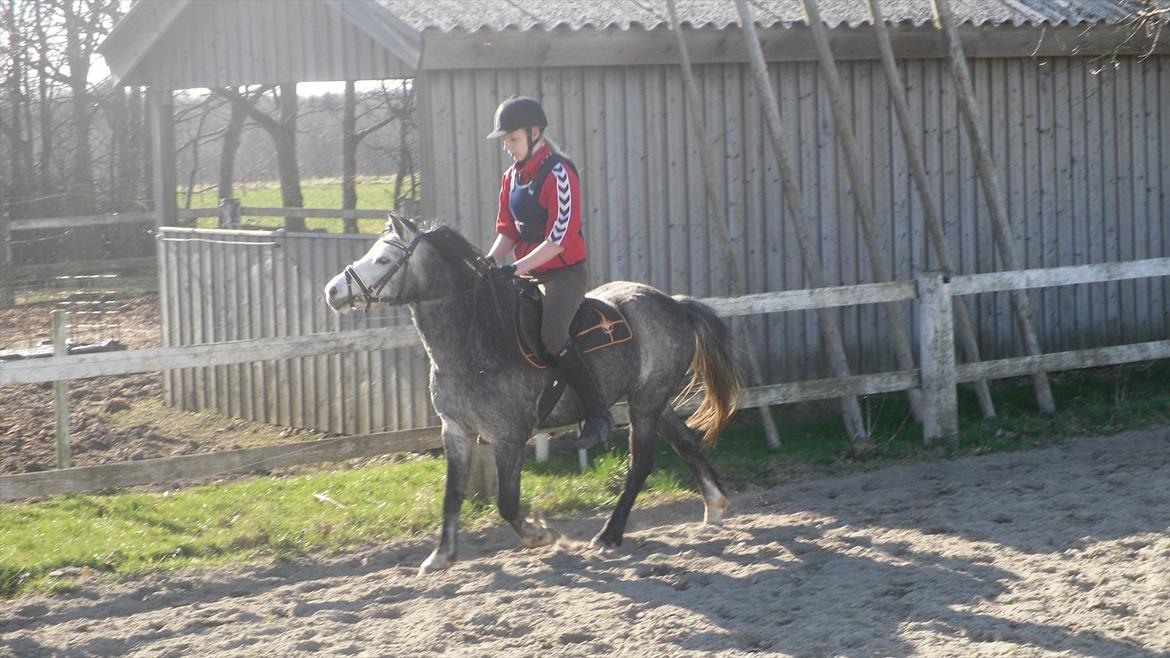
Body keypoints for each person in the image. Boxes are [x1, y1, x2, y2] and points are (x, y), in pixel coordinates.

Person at [482, 96, 613, 449]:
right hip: (526, 272)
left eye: (513, 139)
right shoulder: (510, 178)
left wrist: (514, 268)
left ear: (535, 133)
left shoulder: (560, 173)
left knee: (553, 336)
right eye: (506, 140)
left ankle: (598, 414)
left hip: (562, 274)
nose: (508, 147)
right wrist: (488, 263)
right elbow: (508, 232)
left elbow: (558, 240)